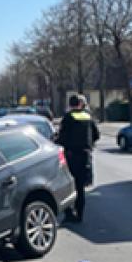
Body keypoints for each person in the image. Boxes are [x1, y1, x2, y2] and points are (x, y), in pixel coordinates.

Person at [56, 94, 99, 222]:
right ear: (80, 104)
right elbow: (96, 135)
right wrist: (89, 144)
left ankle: (69, 213)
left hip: (71, 156)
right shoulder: (88, 116)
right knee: (80, 187)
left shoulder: (68, 117)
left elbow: (62, 138)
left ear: (70, 105)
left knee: (68, 185)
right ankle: (80, 214)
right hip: (85, 155)